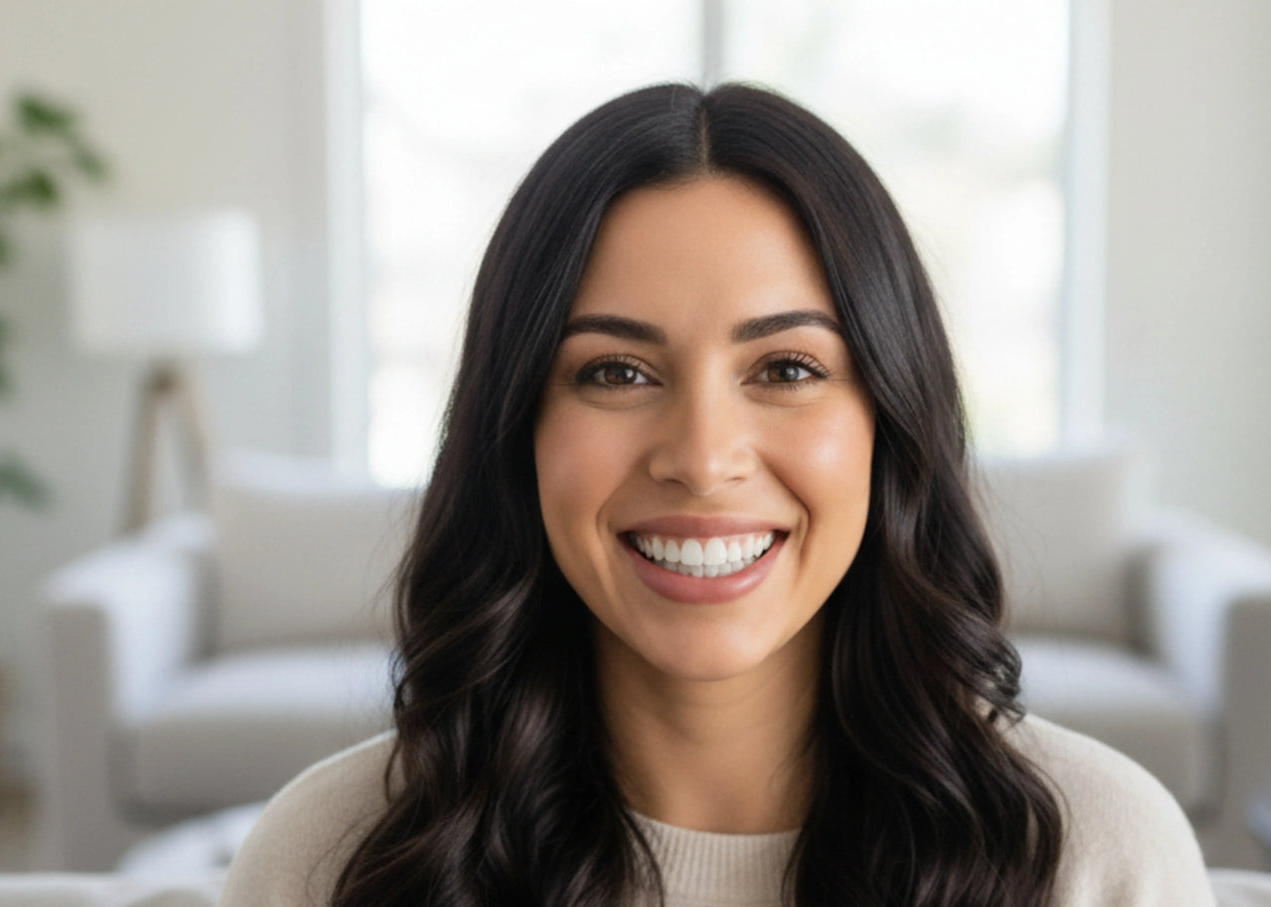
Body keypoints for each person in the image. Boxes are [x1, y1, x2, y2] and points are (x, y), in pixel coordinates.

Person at [220, 82, 1214, 907]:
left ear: (889, 422)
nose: (701, 458)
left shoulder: (1095, 860)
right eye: (614, 372)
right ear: (515, 427)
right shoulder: (329, 861)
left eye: (785, 369)